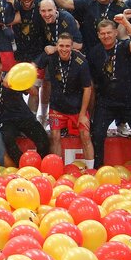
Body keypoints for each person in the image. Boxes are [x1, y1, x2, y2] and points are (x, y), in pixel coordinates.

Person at [87, 16, 131, 169]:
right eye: (103, 33)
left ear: (116, 32)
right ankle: (97, 169)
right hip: (107, 102)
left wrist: (125, 23)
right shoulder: (94, 52)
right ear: (98, 35)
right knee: (97, 134)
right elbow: (92, 81)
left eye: (109, 33)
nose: (106, 36)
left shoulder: (124, 46)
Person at [0, 53, 50, 165]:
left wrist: (27, 84)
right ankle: (22, 166)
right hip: (6, 121)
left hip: (24, 117)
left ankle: (40, 166)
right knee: (7, 139)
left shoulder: (12, 77)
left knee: (44, 140)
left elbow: (35, 93)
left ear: (1, 66)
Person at [34, 33, 94, 166]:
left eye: (67, 46)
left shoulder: (81, 62)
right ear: (57, 46)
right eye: (61, 46)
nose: (64, 49)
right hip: (57, 107)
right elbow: (34, 65)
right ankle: (57, 168)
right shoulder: (50, 56)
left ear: (72, 47)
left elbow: (87, 88)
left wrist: (83, 114)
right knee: (54, 136)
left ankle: (90, 170)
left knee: (85, 136)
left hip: (77, 108)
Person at [47, 0, 129, 53]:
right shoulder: (88, 2)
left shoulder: (120, 6)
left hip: (113, 53)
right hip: (90, 53)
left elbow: (126, 33)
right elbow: (64, 3)